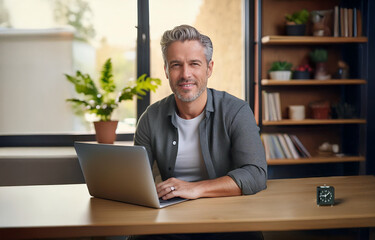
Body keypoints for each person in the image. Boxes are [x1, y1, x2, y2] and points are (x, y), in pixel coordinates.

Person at [132, 25, 267, 240]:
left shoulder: (236, 111)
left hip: (229, 219)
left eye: (194, 64)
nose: (185, 74)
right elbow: (136, 180)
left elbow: (255, 174)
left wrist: (196, 189)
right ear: (166, 70)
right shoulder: (151, 117)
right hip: (171, 222)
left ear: (209, 68)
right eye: (176, 65)